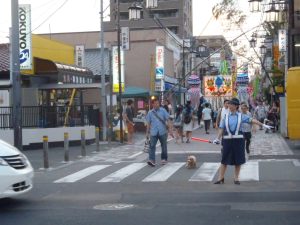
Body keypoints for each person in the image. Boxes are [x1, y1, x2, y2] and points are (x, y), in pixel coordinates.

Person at [213, 98, 273, 185]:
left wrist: (263, 125)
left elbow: (252, 120)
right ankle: (220, 178)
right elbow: (222, 128)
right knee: (224, 159)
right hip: (227, 140)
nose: (229, 105)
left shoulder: (241, 116)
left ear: (236, 106)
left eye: (231, 104)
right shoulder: (225, 117)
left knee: (238, 159)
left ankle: (236, 178)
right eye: (229, 104)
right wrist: (217, 139)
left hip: (238, 141)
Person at [145, 98, 173, 167]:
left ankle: (164, 159)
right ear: (152, 104)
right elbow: (148, 123)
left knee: (164, 146)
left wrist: (170, 129)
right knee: (152, 146)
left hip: (162, 131)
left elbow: (168, 120)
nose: (157, 104)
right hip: (153, 132)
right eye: (155, 103)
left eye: (158, 103)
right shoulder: (150, 113)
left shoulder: (163, 111)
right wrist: (147, 133)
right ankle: (151, 160)